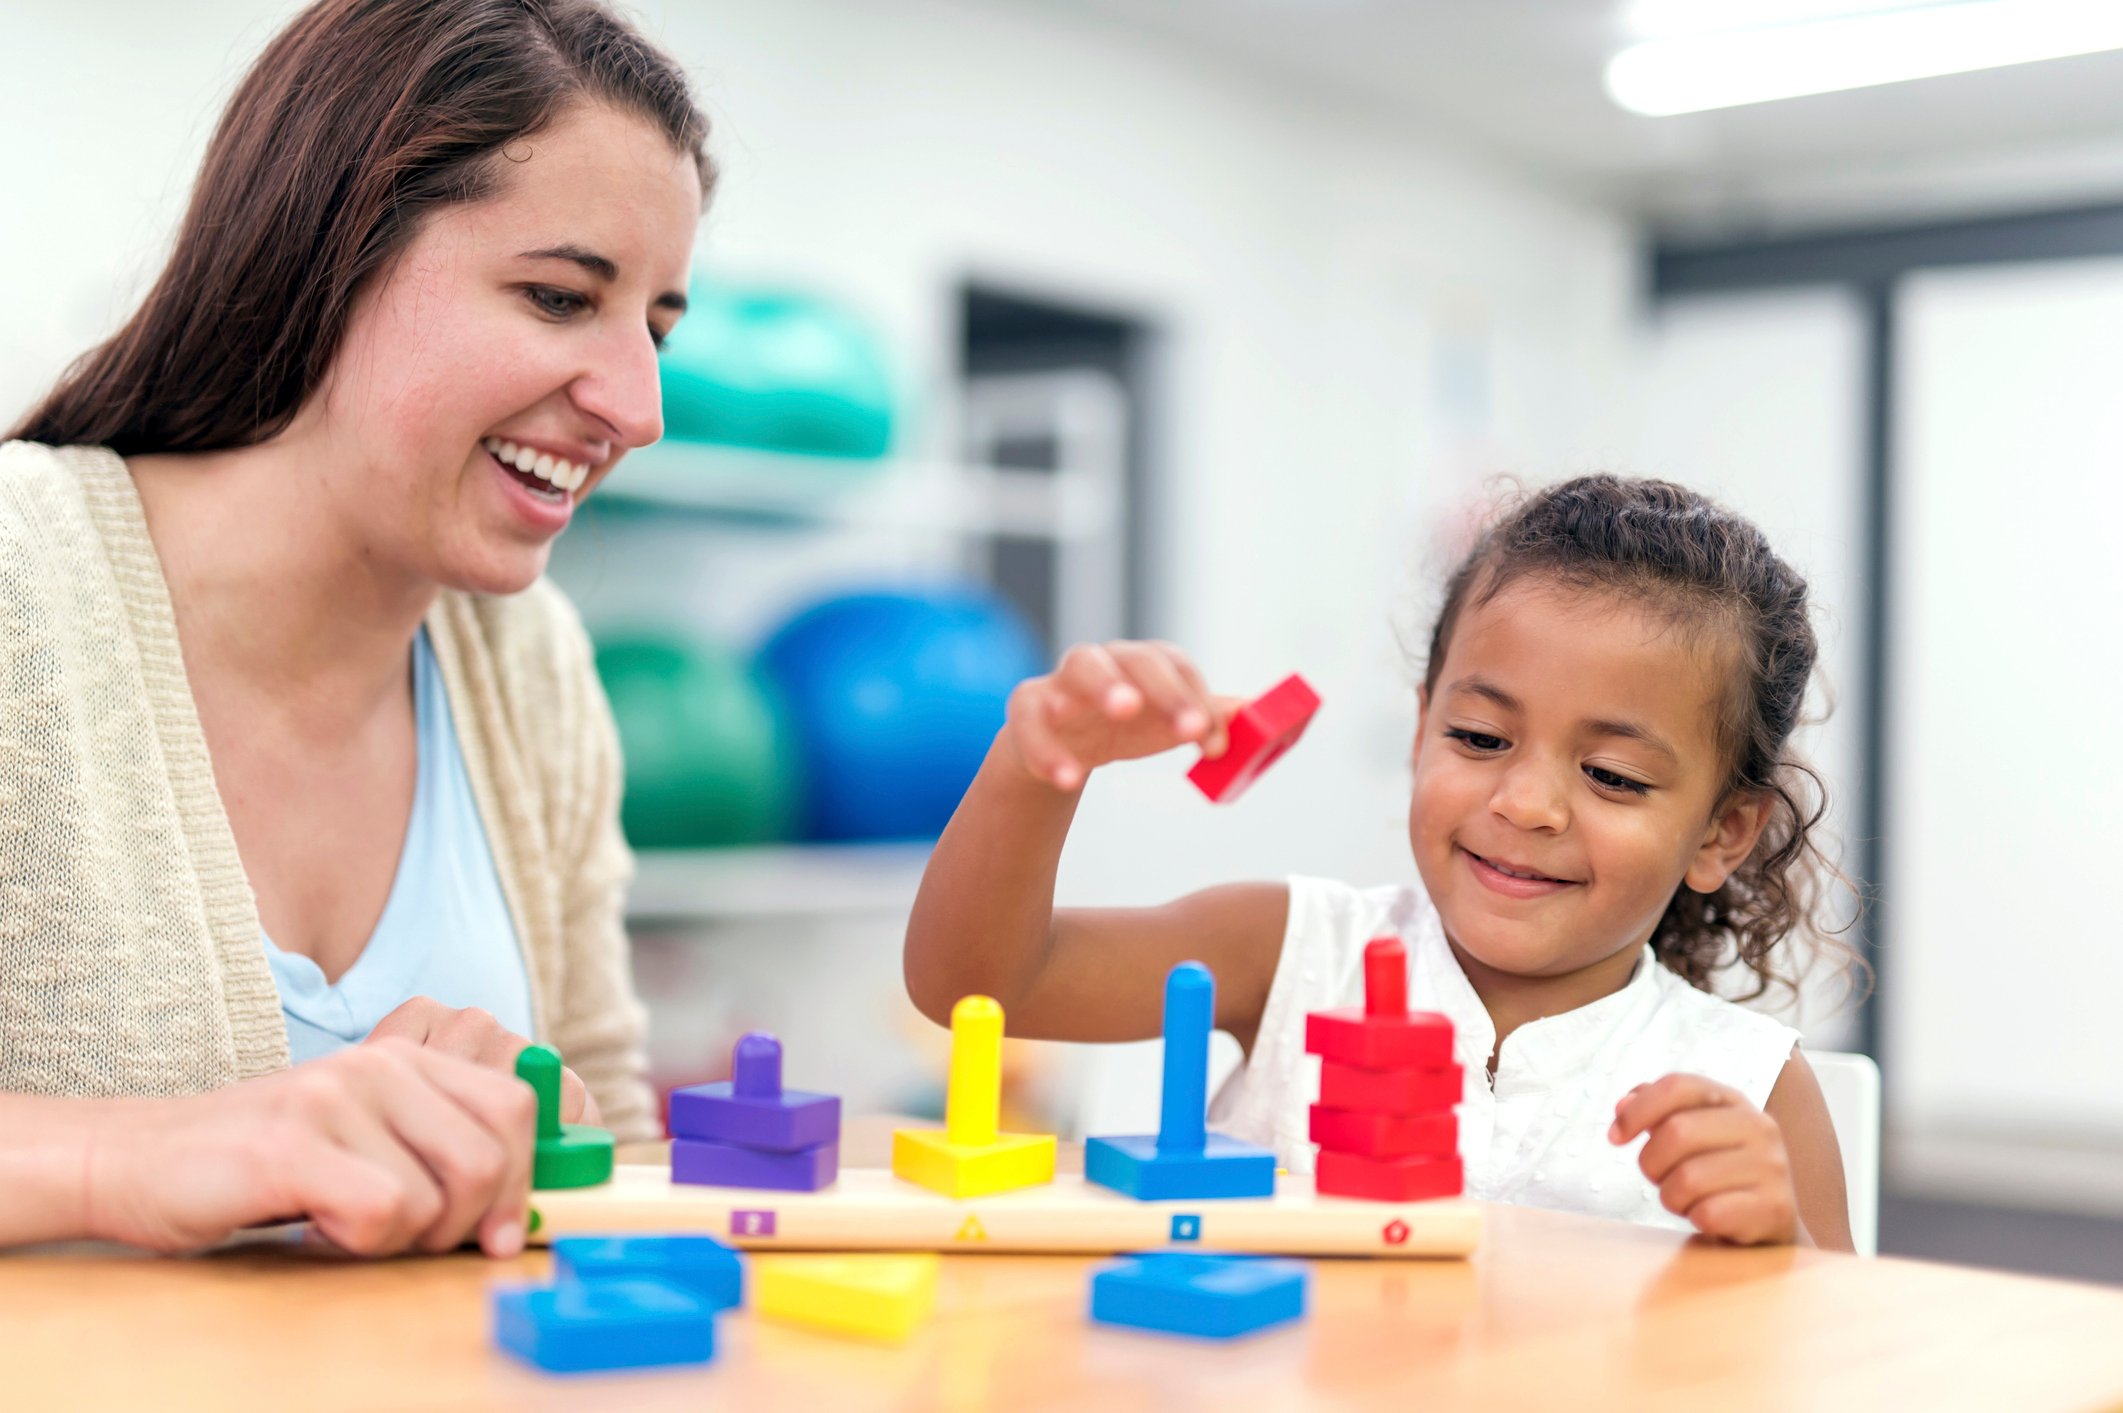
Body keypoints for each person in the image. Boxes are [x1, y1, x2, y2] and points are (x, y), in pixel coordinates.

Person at [0, 0, 709, 1254]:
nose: (636, 408)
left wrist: (545, 1141)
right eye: (557, 298)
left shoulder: (530, 668)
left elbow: (619, 1145)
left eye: (652, 328)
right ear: (330, 252)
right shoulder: (18, 580)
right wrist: (135, 1156)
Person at [904, 475, 1859, 1249]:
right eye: (1481, 737)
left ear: (1719, 833)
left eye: (1611, 774)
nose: (1523, 803)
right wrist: (1037, 768)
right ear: (1420, 728)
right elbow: (979, 985)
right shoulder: (1286, 950)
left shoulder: (1755, 1084)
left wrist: (1779, 1251)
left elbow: (1845, 1361)